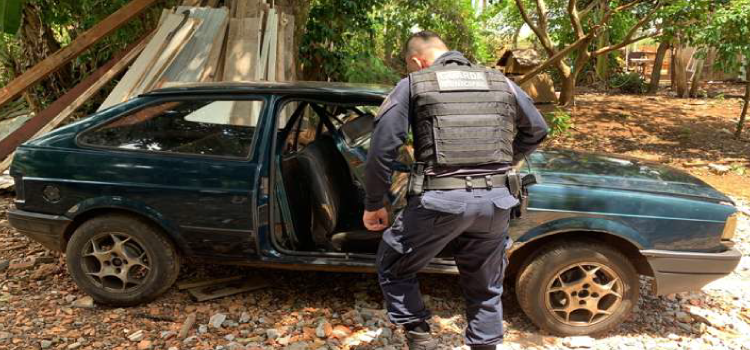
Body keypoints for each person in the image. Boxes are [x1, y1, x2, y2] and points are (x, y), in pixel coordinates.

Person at [362, 31, 548, 350]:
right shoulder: (500, 82)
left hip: (441, 202)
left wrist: (374, 202)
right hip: (496, 202)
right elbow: (538, 129)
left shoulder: (415, 83)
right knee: (485, 286)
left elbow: (383, 148)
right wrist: (503, 161)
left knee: (393, 263)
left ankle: (421, 339)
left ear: (417, 62)